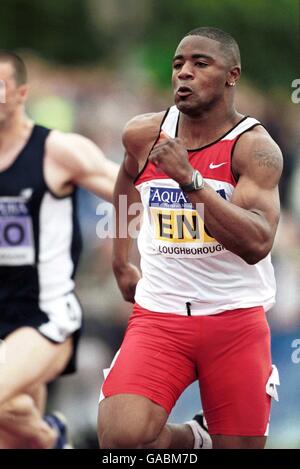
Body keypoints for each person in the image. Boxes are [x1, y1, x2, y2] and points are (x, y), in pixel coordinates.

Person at [98, 27, 283, 450]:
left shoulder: (254, 149)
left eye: (201, 64)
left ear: (231, 76)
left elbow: (256, 244)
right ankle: (195, 438)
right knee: (121, 442)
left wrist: (190, 180)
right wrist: (120, 258)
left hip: (233, 317)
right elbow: (126, 179)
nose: (184, 73)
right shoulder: (143, 135)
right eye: (178, 64)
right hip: (160, 314)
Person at [0, 50, 119, 448]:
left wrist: (124, 256)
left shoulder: (57, 151)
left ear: (21, 94)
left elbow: (133, 191)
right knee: (14, 430)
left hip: (43, 318)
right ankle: (53, 440)